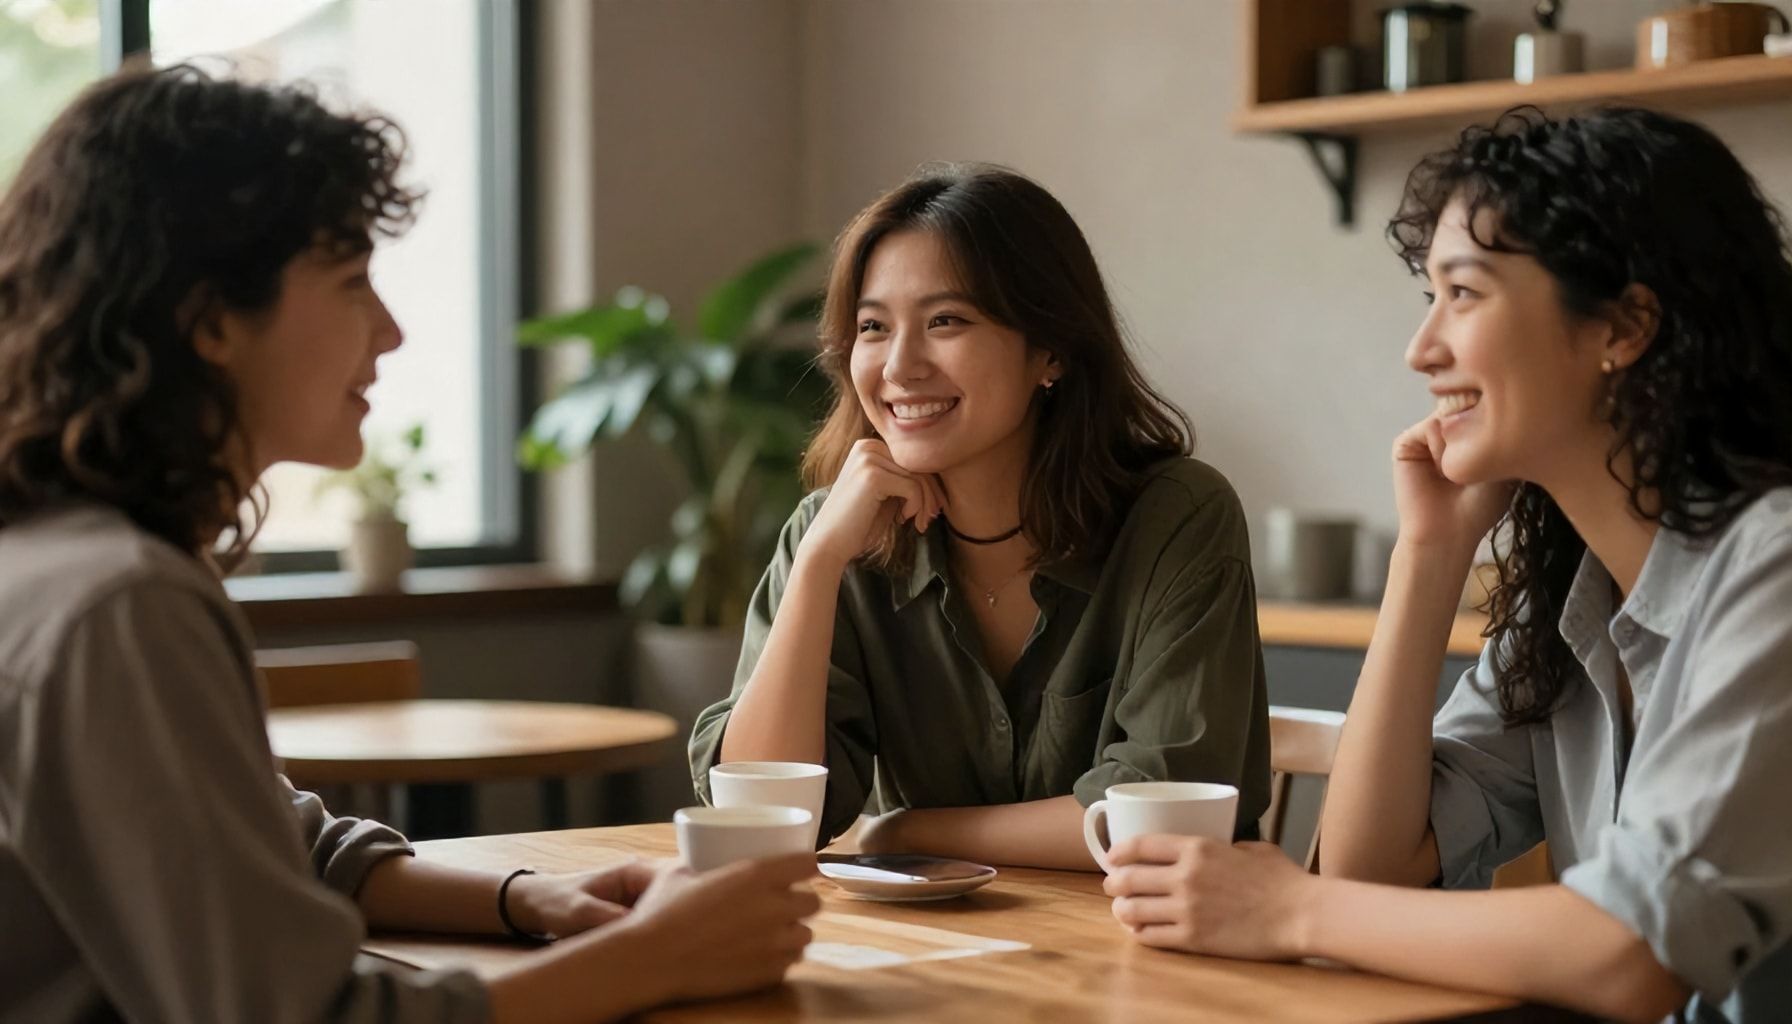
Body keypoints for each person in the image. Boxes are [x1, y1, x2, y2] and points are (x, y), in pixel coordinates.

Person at [0, 65, 817, 1024]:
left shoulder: (61, 557)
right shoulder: (119, 605)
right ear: (211, 318)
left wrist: (528, 897)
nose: (389, 331)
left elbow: (267, 842)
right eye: (352, 280)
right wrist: (653, 961)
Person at [1099, 106, 1792, 1023]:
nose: (1422, 350)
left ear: (1624, 326)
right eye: (1429, 298)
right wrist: (1428, 556)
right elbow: (1375, 863)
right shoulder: (1574, 605)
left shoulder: (1774, 566)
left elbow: (1633, 956)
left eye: (1463, 294)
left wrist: (1289, 909)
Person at [690, 164, 1270, 870]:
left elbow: (1165, 818)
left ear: (1049, 348)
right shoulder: (835, 533)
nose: (900, 366)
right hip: (925, 955)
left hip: (1151, 951)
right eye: (873, 327)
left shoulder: (1177, 519)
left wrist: (911, 832)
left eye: (945, 321)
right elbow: (759, 824)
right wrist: (817, 564)